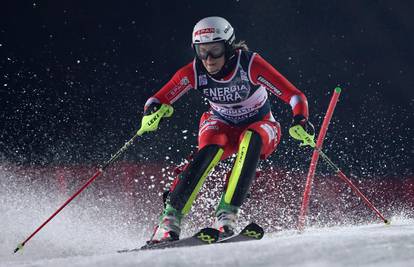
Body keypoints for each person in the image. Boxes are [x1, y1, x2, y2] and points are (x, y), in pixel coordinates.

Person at [138, 16, 314, 244]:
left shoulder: (250, 65)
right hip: (221, 124)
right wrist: (152, 112)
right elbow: (158, 98)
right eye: (202, 52)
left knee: (251, 139)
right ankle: (168, 223)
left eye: (216, 50)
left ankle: (226, 216)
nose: (209, 59)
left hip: (260, 124)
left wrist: (300, 119)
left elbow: (294, 96)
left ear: (229, 48)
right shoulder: (194, 72)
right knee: (210, 148)